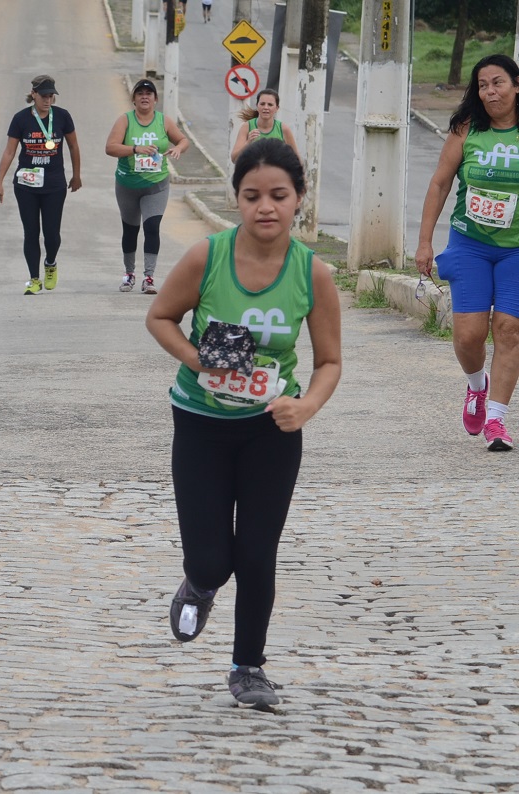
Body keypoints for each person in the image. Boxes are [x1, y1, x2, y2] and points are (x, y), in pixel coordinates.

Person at [145, 138, 342, 710]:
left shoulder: (313, 273)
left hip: (271, 430)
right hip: (201, 423)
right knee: (212, 559)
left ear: (298, 198)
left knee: (257, 553)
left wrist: (305, 407)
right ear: (237, 199)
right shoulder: (207, 258)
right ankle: (200, 583)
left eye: (279, 195)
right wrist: (197, 360)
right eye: (252, 195)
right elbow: (160, 317)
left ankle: (248, 667)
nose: (265, 207)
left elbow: (330, 362)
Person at [417, 54, 519, 452]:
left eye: (498, 83)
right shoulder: (467, 129)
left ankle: (496, 420)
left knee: (509, 330)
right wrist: (425, 242)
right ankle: (477, 385)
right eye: (482, 85)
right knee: (468, 336)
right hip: (470, 245)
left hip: (516, 251)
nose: (490, 92)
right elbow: (440, 185)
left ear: (516, 86)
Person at [0, 75, 83, 296]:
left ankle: (50, 263)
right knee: (31, 232)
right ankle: (34, 279)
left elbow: (73, 146)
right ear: (33, 94)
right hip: (26, 185)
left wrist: (76, 175)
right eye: (43, 96)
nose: (47, 100)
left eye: (51, 96)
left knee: (51, 233)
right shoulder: (21, 119)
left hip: (54, 185)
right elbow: (9, 152)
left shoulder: (62, 116)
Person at [105, 78, 188, 294]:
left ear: (155, 99)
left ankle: (149, 277)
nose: (144, 97)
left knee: (152, 227)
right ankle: (129, 274)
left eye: (148, 93)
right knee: (130, 230)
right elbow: (110, 147)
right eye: (140, 93)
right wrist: (135, 149)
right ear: (133, 99)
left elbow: (183, 140)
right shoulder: (125, 120)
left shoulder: (163, 121)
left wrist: (178, 148)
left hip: (156, 185)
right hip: (128, 184)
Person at [230, 89, 300, 164]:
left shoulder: (283, 129)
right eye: (262, 104)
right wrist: (248, 143)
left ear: (277, 108)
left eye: (270, 105)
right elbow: (234, 159)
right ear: (257, 106)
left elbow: (297, 160)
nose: (266, 107)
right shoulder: (247, 127)